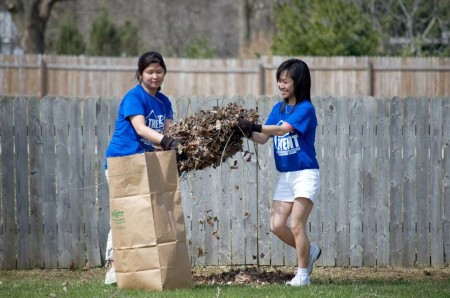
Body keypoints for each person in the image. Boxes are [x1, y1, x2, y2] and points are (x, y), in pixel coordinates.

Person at [238, 58, 321, 286]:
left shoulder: (305, 109)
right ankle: (310, 250)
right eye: (279, 81)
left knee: (296, 225)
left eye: (286, 81)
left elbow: (283, 130)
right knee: (276, 225)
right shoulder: (279, 108)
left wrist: (254, 125)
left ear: (298, 82)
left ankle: (303, 275)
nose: (281, 85)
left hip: (305, 174)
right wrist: (241, 131)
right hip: (286, 176)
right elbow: (263, 138)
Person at [103, 51, 181, 285]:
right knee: (124, 215)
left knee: (147, 216)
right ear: (140, 75)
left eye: (159, 71)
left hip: (146, 162)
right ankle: (114, 267)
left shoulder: (164, 101)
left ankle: (141, 268)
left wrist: (179, 141)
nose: (155, 76)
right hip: (123, 162)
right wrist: (166, 141)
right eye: (150, 72)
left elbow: (170, 128)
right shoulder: (134, 97)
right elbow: (140, 128)